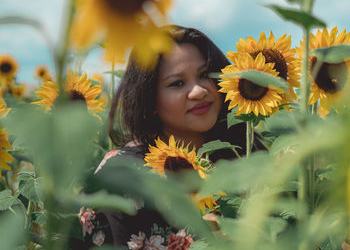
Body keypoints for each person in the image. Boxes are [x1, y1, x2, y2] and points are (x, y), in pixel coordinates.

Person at [71, 25, 264, 249]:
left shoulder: (243, 152)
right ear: (150, 99)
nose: (199, 91)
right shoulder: (124, 175)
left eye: (204, 75)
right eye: (178, 83)